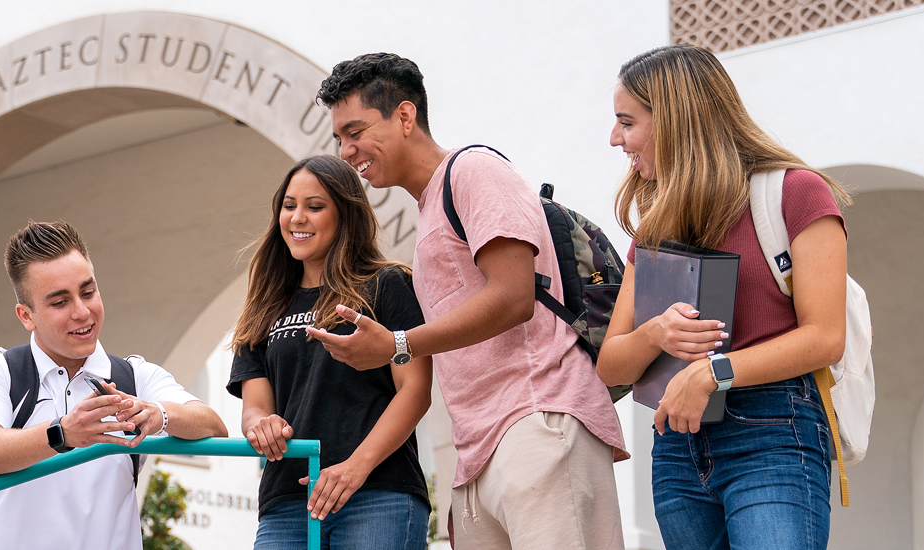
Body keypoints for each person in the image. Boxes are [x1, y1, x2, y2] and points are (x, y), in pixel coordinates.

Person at [307, 53, 628, 550]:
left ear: (406, 116)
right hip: (483, 452)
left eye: (355, 131)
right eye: (339, 140)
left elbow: (513, 297)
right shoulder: (430, 207)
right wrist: (468, 479)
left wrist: (397, 344)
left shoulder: (474, 169)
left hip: (537, 420)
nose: (347, 151)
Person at [594, 44, 851, 549]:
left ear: (674, 119)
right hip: (675, 446)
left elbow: (825, 337)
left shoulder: (797, 193)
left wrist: (714, 371)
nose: (614, 139)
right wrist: (655, 332)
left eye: (627, 122)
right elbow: (610, 366)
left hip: (772, 433)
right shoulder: (654, 228)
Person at [0, 221, 228, 550]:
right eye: (60, 302)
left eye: (88, 292)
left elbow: (214, 424)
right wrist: (62, 434)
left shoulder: (135, 376)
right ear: (26, 315)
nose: (82, 312)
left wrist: (160, 414)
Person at [228, 155, 433, 549]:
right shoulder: (263, 307)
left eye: (315, 206)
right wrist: (260, 424)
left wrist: (354, 469)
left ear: (345, 215)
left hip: (377, 494)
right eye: (289, 206)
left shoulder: (387, 285)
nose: (297, 218)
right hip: (286, 501)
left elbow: (416, 390)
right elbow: (255, 407)